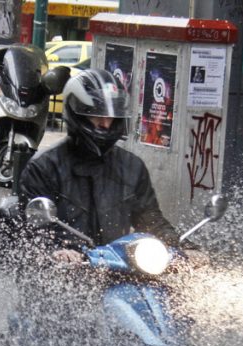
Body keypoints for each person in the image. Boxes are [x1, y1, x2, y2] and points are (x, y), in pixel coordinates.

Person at [12, 69, 207, 268]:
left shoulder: (132, 167)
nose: (106, 123)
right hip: (67, 270)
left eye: (111, 115)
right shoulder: (44, 167)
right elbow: (35, 230)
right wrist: (57, 250)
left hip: (121, 267)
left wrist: (183, 247)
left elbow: (151, 220)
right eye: (97, 115)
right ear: (77, 114)